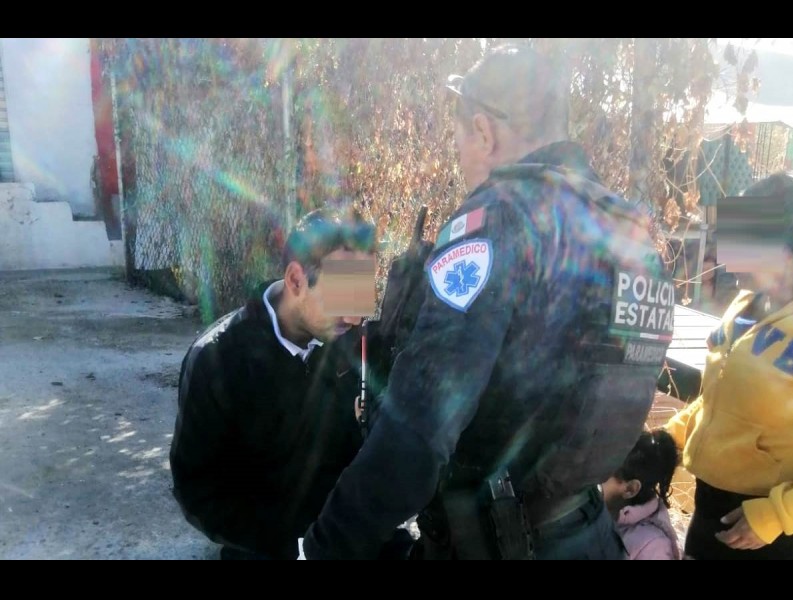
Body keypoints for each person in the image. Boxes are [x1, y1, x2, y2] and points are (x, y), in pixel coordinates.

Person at [302, 44, 675, 560]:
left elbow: (418, 429)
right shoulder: (627, 233)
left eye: (459, 138)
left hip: (494, 543)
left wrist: (324, 546)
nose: (460, 157)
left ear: (484, 131)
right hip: (588, 534)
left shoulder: (496, 222)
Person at [169, 208, 376, 560]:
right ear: (296, 279)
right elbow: (196, 490)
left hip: (341, 536)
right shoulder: (217, 360)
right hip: (263, 547)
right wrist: (291, 546)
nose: (355, 316)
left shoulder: (346, 339)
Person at [664, 172, 793, 560]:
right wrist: (670, 439)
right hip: (709, 510)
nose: (726, 256)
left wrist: (778, 515)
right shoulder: (744, 306)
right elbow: (718, 399)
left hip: (770, 534)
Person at [602, 429, 681, 560]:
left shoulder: (653, 547)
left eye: (601, 478)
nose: (589, 483)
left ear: (630, 489)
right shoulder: (599, 511)